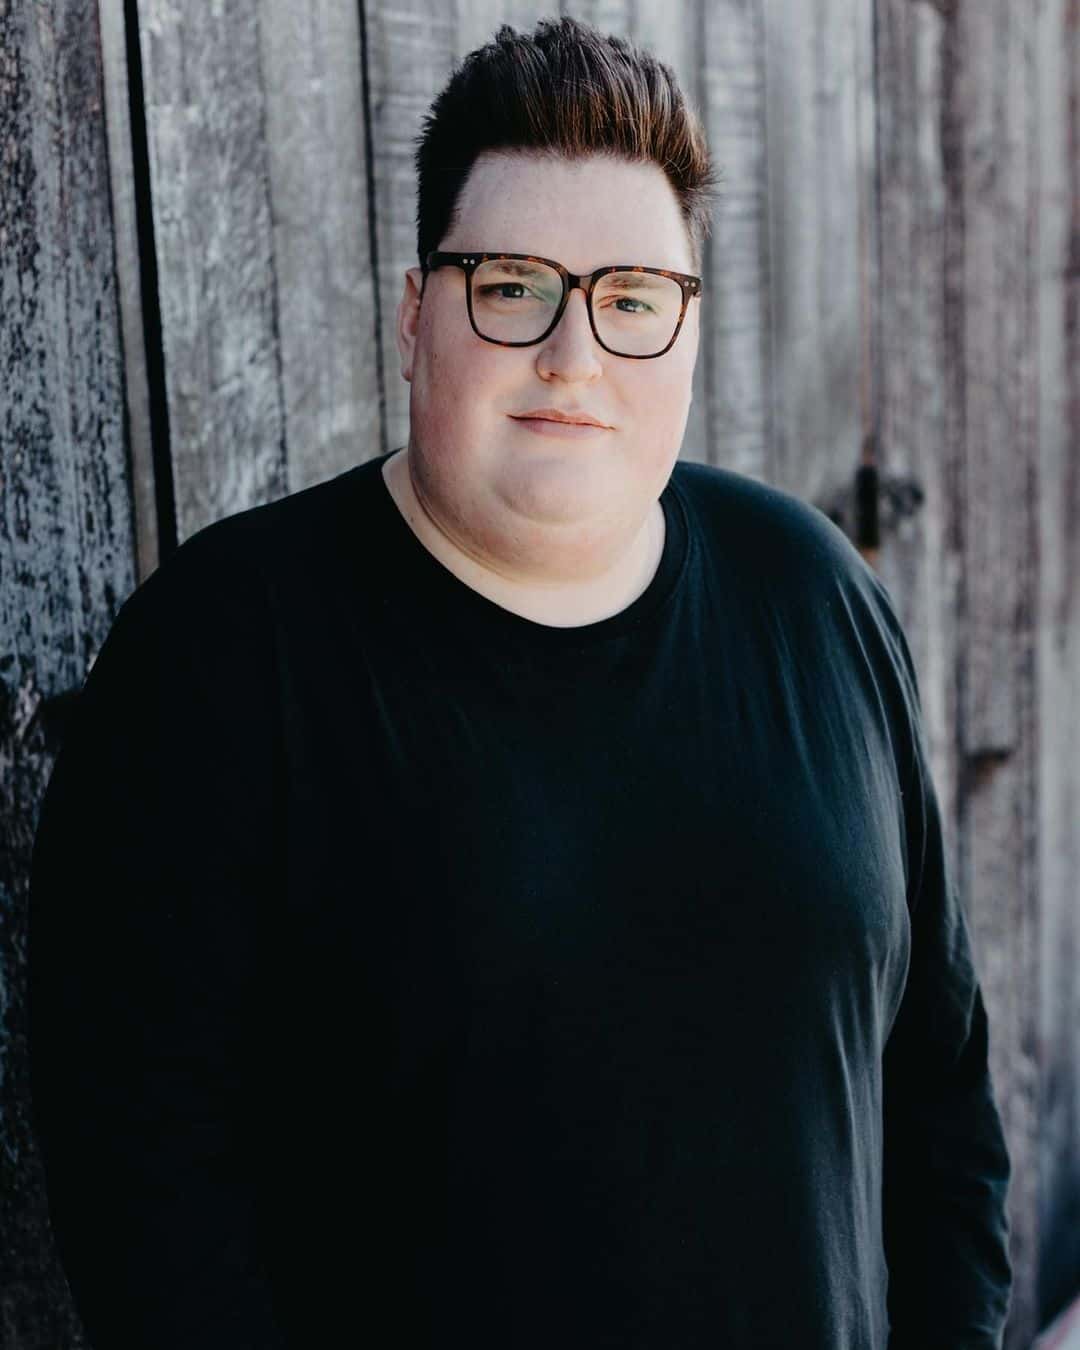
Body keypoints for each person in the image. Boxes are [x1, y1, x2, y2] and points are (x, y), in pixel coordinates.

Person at [28, 15, 1013, 1349]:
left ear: (688, 330)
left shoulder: (818, 602)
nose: (574, 353)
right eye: (511, 286)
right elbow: (147, 1205)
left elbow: (942, 1099)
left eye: (632, 297)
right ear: (415, 317)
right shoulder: (218, 662)